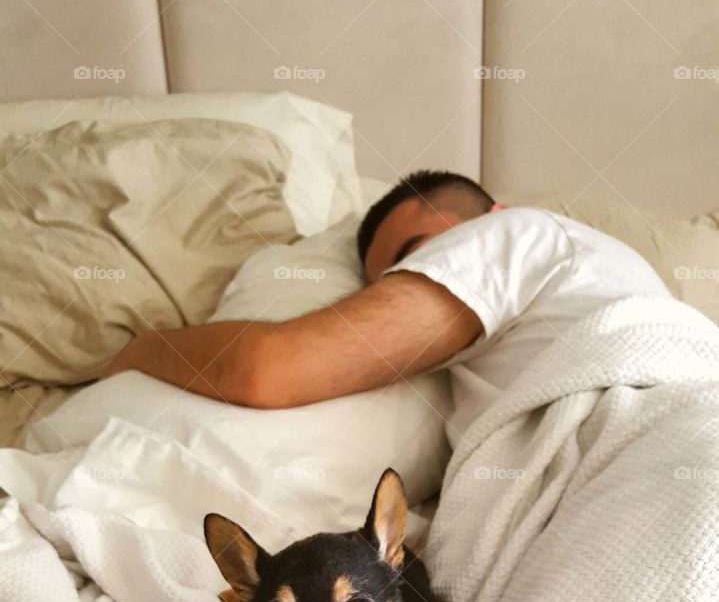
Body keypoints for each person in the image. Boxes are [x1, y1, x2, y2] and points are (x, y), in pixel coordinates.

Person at [101, 170, 671, 444]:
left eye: (420, 258)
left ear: (492, 215)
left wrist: (141, 348)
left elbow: (269, 369)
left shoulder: (521, 235)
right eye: (391, 282)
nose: (406, 285)